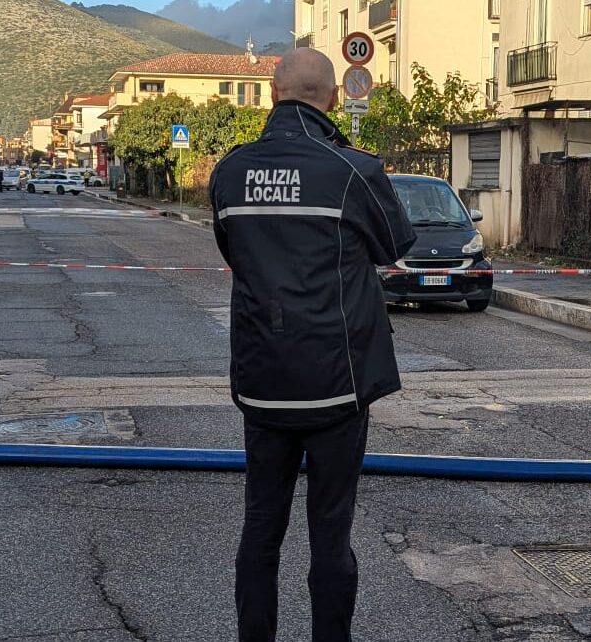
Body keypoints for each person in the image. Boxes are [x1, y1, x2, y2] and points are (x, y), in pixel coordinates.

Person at [209, 48, 416, 642]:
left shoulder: (230, 171)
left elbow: (234, 250)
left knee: (260, 526)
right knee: (331, 533)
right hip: (336, 384)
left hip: (262, 381)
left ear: (273, 95)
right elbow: (395, 245)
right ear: (332, 98)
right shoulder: (352, 171)